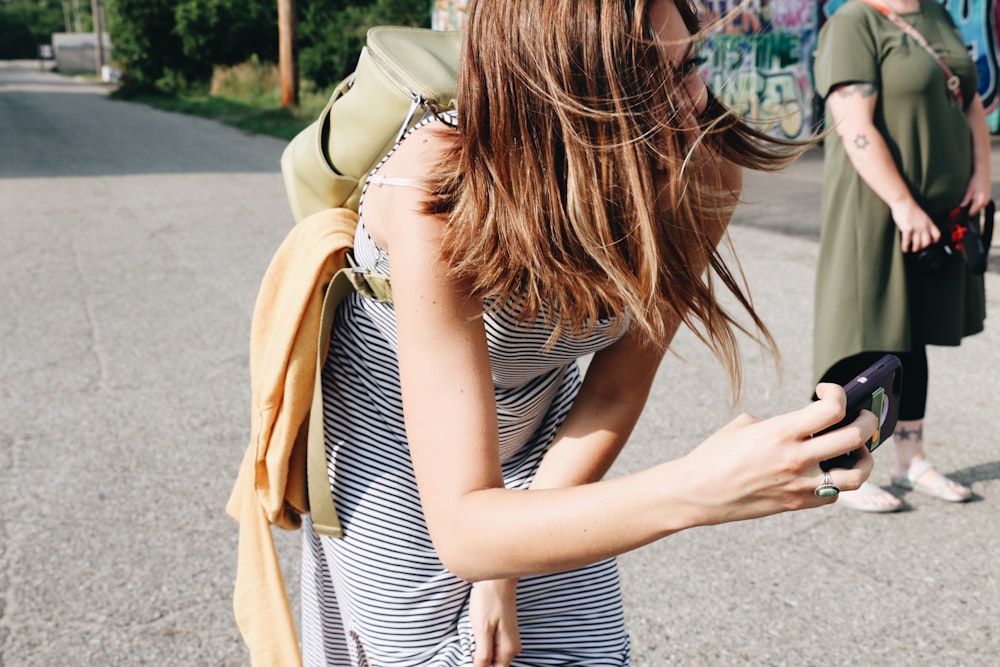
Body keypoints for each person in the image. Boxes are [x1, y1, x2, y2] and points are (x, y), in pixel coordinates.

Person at [300, 0, 877, 664]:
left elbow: (611, 394)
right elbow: (462, 527)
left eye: (691, 65)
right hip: (391, 437)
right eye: (655, 85)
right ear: (569, 103)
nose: (695, 102)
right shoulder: (433, 190)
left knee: (579, 649)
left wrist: (507, 566)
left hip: (537, 417)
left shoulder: (706, 171)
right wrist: (698, 488)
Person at [811, 0, 990, 512]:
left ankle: (910, 457)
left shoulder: (937, 14)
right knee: (864, 331)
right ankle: (841, 467)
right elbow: (853, 123)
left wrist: (981, 175)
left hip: (937, 208)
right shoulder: (854, 22)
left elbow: (971, 100)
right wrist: (902, 204)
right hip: (877, 204)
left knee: (915, 334)